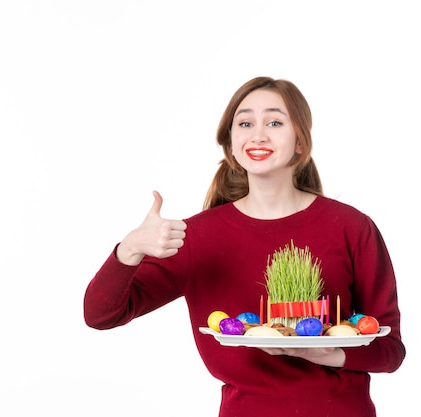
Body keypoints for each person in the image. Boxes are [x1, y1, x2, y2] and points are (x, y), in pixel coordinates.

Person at [83, 76, 405, 417]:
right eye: (246, 123)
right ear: (232, 145)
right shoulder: (197, 236)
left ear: (300, 142)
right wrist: (129, 250)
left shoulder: (353, 227)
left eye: (275, 122)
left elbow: (390, 350)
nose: (258, 134)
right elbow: (101, 315)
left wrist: (329, 354)